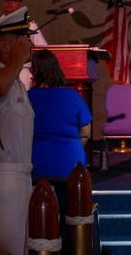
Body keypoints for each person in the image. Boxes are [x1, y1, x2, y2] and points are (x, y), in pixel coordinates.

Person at [0, 6, 35, 255]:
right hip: (3, 178)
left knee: (20, 248)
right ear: (4, 44)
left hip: (22, 177)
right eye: (22, 39)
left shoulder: (17, 84)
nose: (29, 44)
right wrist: (19, 59)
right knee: (5, 249)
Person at [28, 49, 92, 179]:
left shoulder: (27, 98)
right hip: (71, 165)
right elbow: (86, 133)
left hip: (37, 164)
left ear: (34, 72)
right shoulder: (73, 96)